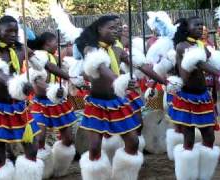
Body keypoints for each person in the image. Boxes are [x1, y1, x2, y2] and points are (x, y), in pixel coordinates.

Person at [76, 15, 144, 180]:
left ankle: (124, 176)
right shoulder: (90, 50)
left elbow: (140, 66)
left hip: (117, 102)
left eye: (118, 27)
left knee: (133, 142)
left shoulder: (118, 50)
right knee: (94, 147)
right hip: (97, 104)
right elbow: (100, 66)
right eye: (112, 27)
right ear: (100, 29)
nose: (117, 30)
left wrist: (164, 80)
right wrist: (120, 80)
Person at [0, 16, 43, 180]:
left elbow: (46, 66)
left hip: (19, 107)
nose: (13, 34)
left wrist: (70, 78)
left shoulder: (22, 50)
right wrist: (19, 84)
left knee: (32, 149)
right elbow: (0, 75)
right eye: (9, 31)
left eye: (15, 31)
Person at [171, 16, 220, 179]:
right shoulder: (182, 46)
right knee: (189, 137)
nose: (201, 27)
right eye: (196, 25)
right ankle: (187, 175)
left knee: (209, 135)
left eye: (202, 24)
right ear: (187, 28)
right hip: (186, 97)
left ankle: (204, 174)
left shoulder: (201, 46)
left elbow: (213, 61)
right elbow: (200, 63)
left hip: (203, 97)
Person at [28, 32, 79, 178]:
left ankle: (57, 168)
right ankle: (41, 172)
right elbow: (36, 81)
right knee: (40, 138)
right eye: (54, 42)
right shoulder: (39, 58)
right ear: (46, 44)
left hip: (58, 102)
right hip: (41, 102)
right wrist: (51, 89)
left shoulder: (55, 58)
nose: (57, 45)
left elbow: (64, 73)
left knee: (68, 139)